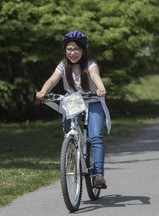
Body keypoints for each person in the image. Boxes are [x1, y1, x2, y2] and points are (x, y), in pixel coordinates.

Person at [36, 30, 111, 187]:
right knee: (69, 131)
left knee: (96, 136)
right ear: (65, 50)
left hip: (93, 100)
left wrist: (100, 88)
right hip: (74, 101)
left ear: (83, 51)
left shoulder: (90, 64)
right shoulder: (63, 65)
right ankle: (73, 155)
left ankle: (98, 174)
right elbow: (52, 80)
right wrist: (43, 91)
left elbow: (95, 76)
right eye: (69, 49)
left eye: (76, 49)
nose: (72, 52)